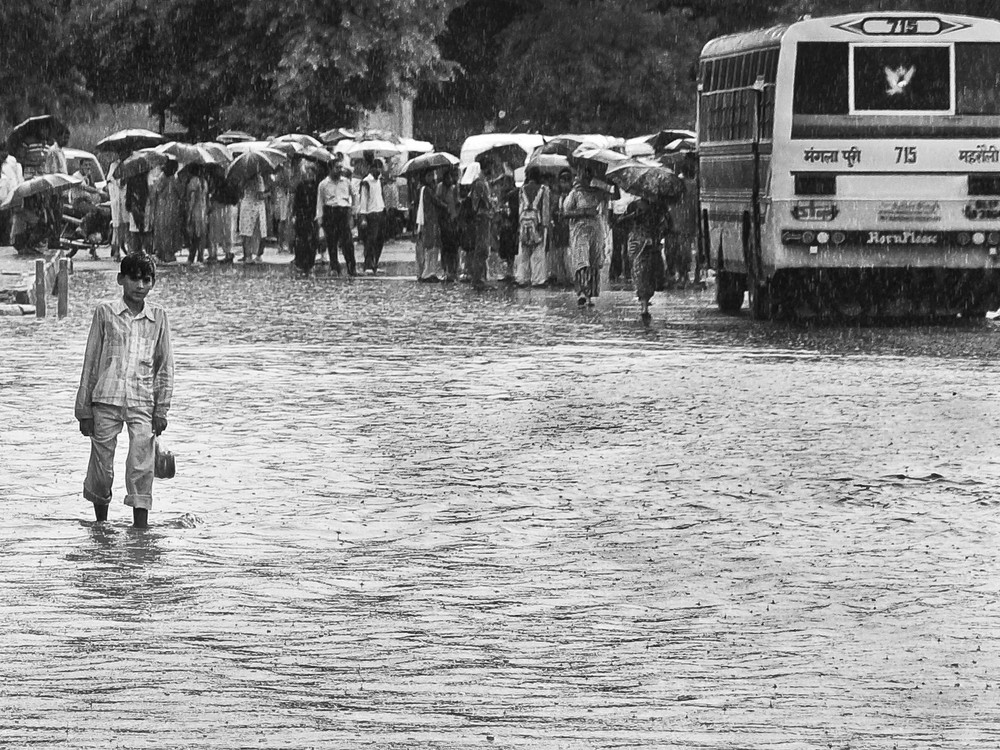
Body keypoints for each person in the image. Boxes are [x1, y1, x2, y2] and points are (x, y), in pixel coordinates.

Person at [75, 253, 174, 529]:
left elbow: (165, 367)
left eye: (147, 279)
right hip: (105, 399)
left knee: (142, 464)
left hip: (143, 401)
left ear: (152, 283)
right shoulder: (105, 312)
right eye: (134, 278)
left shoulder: (158, 318)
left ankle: (140, 529)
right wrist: (84, 410)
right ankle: (101, 525)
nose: (140, 285)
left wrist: (162, 409)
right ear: (121, 279)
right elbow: (91, 361)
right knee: (101, 465)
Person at [563, 167, 611, 307]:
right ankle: (582, 293)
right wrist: (584, 212)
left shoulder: (597, 193)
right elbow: (565, 213)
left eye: (587, 177)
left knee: (593, 262)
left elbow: (615, 197)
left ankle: (590, 295)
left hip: (595, 231)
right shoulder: (575, 194)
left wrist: (610, 182)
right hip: (580, 232)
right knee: (581, 262)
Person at [626, 197, 668, 324]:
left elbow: (665, 227)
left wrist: (656, 238)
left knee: (652, 276)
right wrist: (634, 216)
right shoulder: (633, 207)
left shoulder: (659, 209)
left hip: (653, 247)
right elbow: (622, 222)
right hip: (639, 247)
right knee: (642, 275)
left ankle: (645, 301)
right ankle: (644, 306)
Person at [315, 162, 357, 275]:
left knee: (347, 241)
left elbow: (354, 194)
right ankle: (334, 267)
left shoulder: (346, 182)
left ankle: (351, 267)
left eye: (340, 168)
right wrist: (320, 220)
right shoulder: (323, 184)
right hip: (330, 212)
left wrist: (353, 211)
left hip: (343, 212)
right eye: (336, 168)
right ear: (330, 168)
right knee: (332, 241)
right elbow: (320, 202)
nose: (339, 170)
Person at [515, 166, 551, 288]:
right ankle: (538, 279)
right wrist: (545, 225)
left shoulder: (522, 190)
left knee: (524, 252)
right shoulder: (544, 189)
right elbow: (545, 209)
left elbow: (520, 208)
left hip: (524, 222)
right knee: (538, 252)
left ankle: (522, 278)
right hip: (538, 223)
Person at [148, 160, 183, 264]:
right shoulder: (175, 179)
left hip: (162, 209)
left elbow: (154, 192)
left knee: (162, 231)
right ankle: (168, 253)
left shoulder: (161, 178)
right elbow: (181, 193)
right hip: (173, 209)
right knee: (171, 230)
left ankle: (163, 252)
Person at [468, 159, 495, 290]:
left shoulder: (480, 182)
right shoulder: (480, 183)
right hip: (482, 218)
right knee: (482, 249)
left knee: (483, 249)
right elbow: (486, 201)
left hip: (483, 217)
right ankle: (478, 279)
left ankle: (481, 278)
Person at [415, 169, 445, 282]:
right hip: (429, 220)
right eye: (429, 175)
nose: (431, 177)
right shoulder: (427, 190)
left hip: (430, 220)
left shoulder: (425, 189)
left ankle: (428, 271)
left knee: (431, 246)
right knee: (431, 247)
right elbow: (436, 201)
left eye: (432, 175)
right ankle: (428, 272)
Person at [292, 161, 321, 273]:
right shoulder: (300, 186)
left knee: (312, 240)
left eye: (311, 172)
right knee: (301, 240)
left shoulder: (317, 186)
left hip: (313, 215)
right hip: (301, 215)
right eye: (307, 172)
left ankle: (310, 262)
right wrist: (294, 214)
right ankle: (300, 262)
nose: (309, 175)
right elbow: (296, 202)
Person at [358, 159, 386, 274]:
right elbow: (363, 200)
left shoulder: (379, 181)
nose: (379, 171)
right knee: (370, 241)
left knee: (380, 240)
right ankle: (368, 264)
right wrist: (363, 217)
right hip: (371, 214)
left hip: (380, 211)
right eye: (377, 168)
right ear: (372, 169)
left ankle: (375, 263)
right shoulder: (366, 182)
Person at [546, 169, 573, 287]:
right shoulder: (557, 197)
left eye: (565, 182)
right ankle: (560, 276)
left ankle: (569, 276)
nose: (563, 184)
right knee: (558, 253)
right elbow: (552, 211)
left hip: (569, 228)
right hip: (559, 228)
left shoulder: (573, 195)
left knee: (567, 253)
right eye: (562, 182)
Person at [494, 171, 519, 282]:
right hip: (505, 226)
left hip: (511, 225)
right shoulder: (503, 195)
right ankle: (509, 272)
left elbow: (514, 211)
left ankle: (511, 272)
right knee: (506, 249)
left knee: (510, 249)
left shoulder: (513, 195)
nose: (502, 186)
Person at [238, 174, 269, 263]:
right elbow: (260, 196)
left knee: (246, 232)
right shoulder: (259, 178)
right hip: (256, 208)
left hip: (246, 206)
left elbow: (240, 191)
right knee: (260, 233)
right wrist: (269, 193)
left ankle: (247, 255)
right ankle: (258, 256)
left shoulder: (244, 178)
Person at [437, 168, 460, 282]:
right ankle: (446, 270)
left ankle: (454, 270)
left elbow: (457, 202)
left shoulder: (454, 188)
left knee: (454, 248)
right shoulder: (440, 187)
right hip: (444, 221)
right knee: (445, 248)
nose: (450, 179)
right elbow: (438, 201)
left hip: (453, 220)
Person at [0, 146, 24, 246]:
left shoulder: (12, 161)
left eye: (6, 150)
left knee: (7, 223)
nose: (4, 153)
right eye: (2, 151)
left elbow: (17, 179)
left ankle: (5, 244)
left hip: (8, 198)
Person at [184, 165, 209, 264]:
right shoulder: (204, 182)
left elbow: (193, 198)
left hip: (195, 210)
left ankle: (191, 257)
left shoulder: (194, 181)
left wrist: (189, 213)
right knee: (201, 234)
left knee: (194, 235)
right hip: (203, 210)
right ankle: (200, 256)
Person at [106, 153, 128, 262]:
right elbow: (111, 180)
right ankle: (117, 250)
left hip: (126, 199)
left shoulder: (130, 165)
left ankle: (125, 249)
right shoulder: (114, 166)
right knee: (117, 226)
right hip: (117, 200)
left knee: (126, 225)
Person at [125, 171, 151, 254]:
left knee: (134, 233)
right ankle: (143, 252)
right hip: (142, 211)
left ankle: (134, 253)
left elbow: (128, 197)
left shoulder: (131, 180)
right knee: (143, 233)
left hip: (134, 210)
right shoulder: (145, 181)